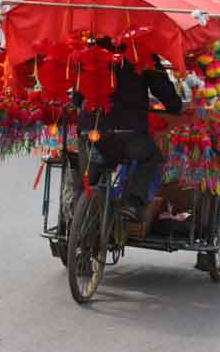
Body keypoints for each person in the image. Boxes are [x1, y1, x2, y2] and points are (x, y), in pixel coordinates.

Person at [70, 44, 183, 222]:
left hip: (90, 131)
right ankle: (131, 203)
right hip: (129, 134)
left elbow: (76, 99)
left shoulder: (87, 51)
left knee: (87, 177)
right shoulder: (142, 51)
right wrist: (176, 106)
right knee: (152, 157)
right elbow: (165, 93)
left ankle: (74, 213)